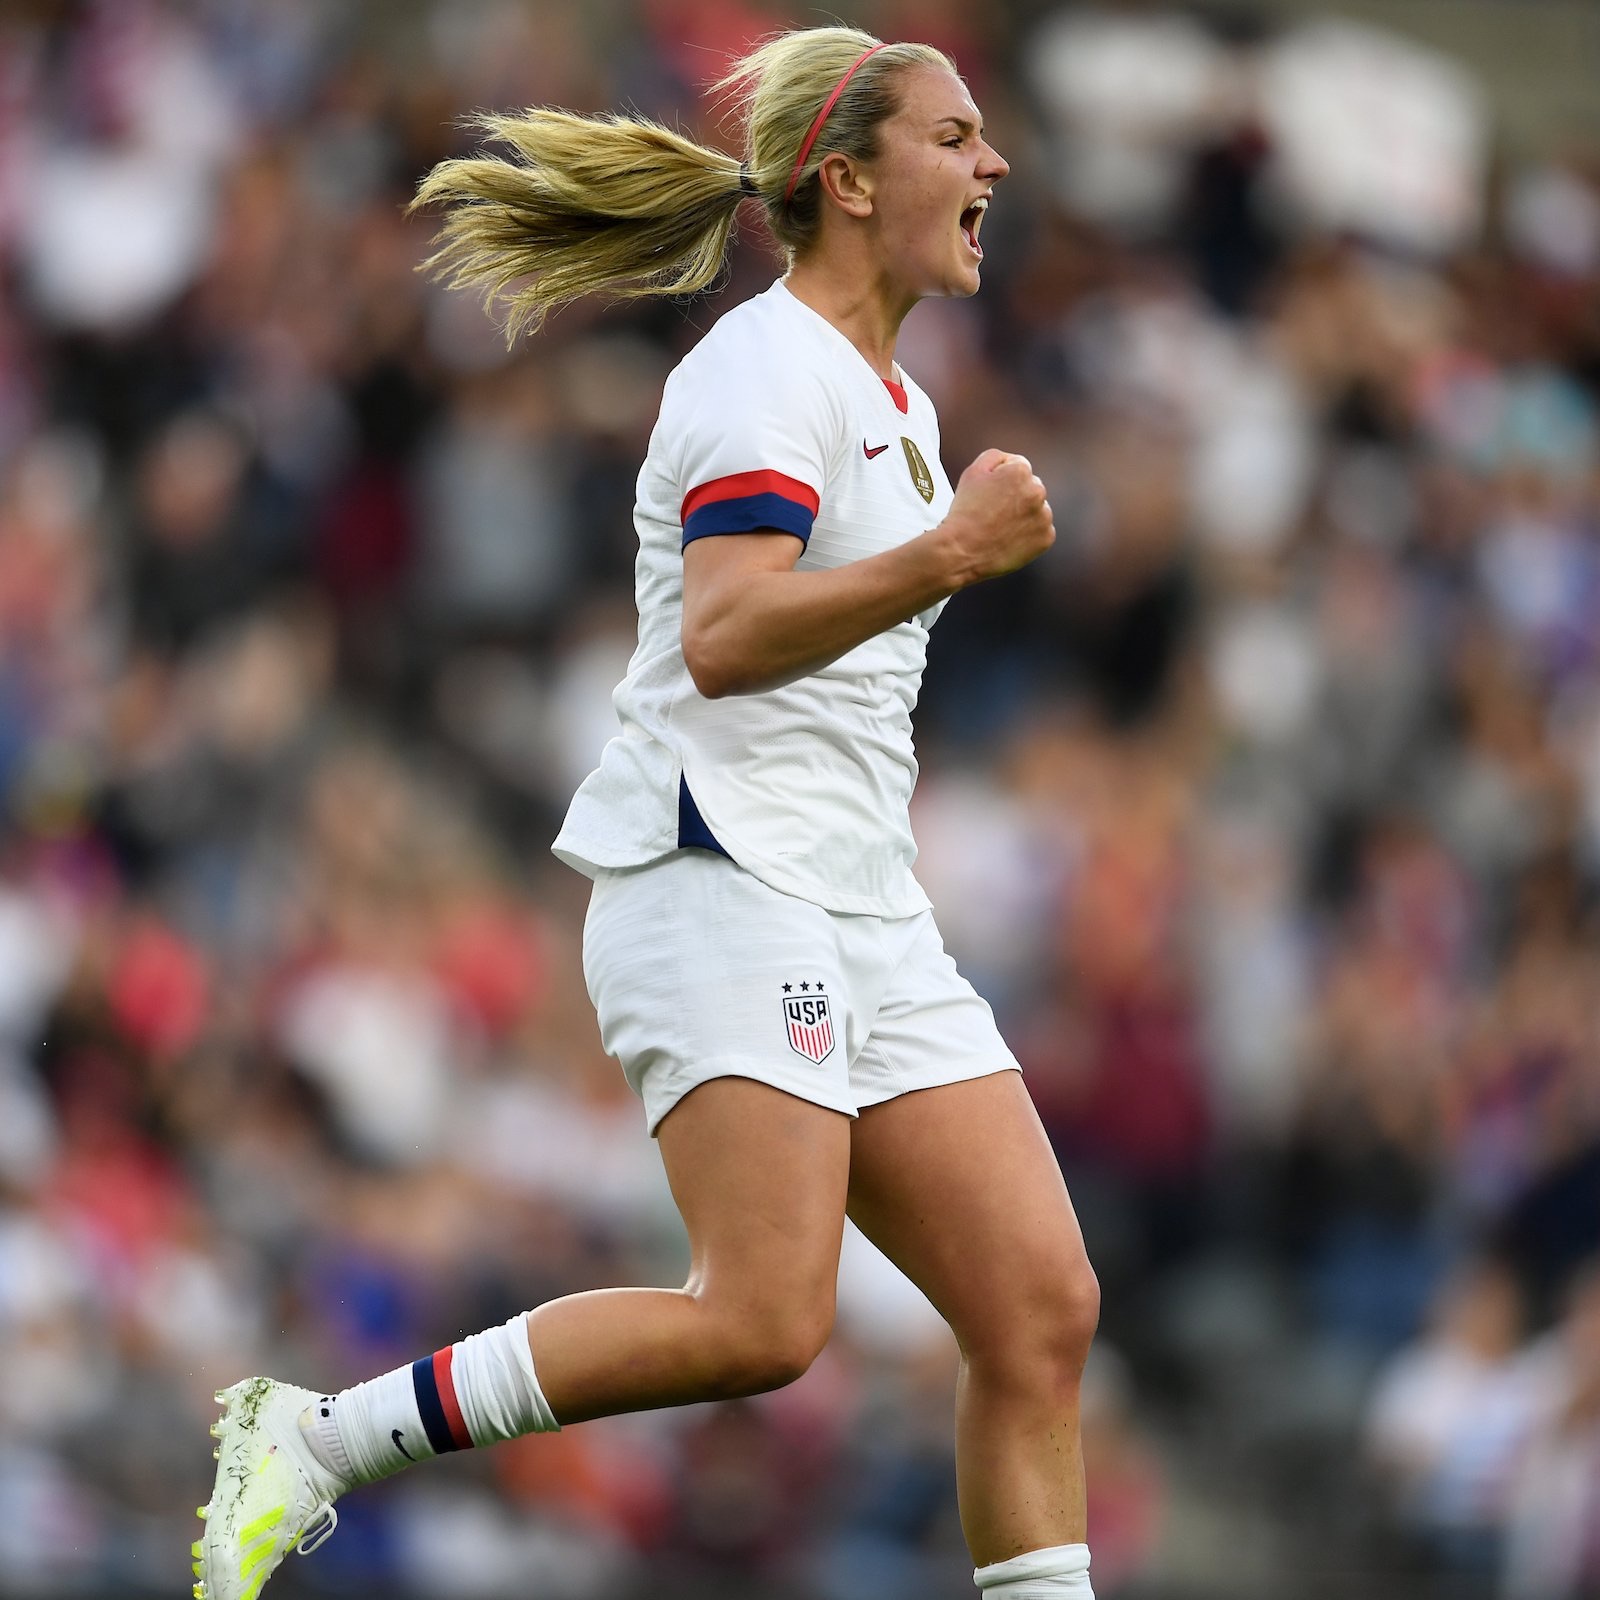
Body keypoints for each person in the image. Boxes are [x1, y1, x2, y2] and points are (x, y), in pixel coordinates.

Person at [195, 26, 1101, 1600]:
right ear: (847, 180)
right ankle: (317, 1440)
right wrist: (950, 553)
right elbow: (727, 634)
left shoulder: (897, 399)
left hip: (862, 900)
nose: (994, 163)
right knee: (761, 1319)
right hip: (722, 874)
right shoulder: (764, 369)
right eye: (954, 137)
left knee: (1040, 1309)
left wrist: (940, 545)